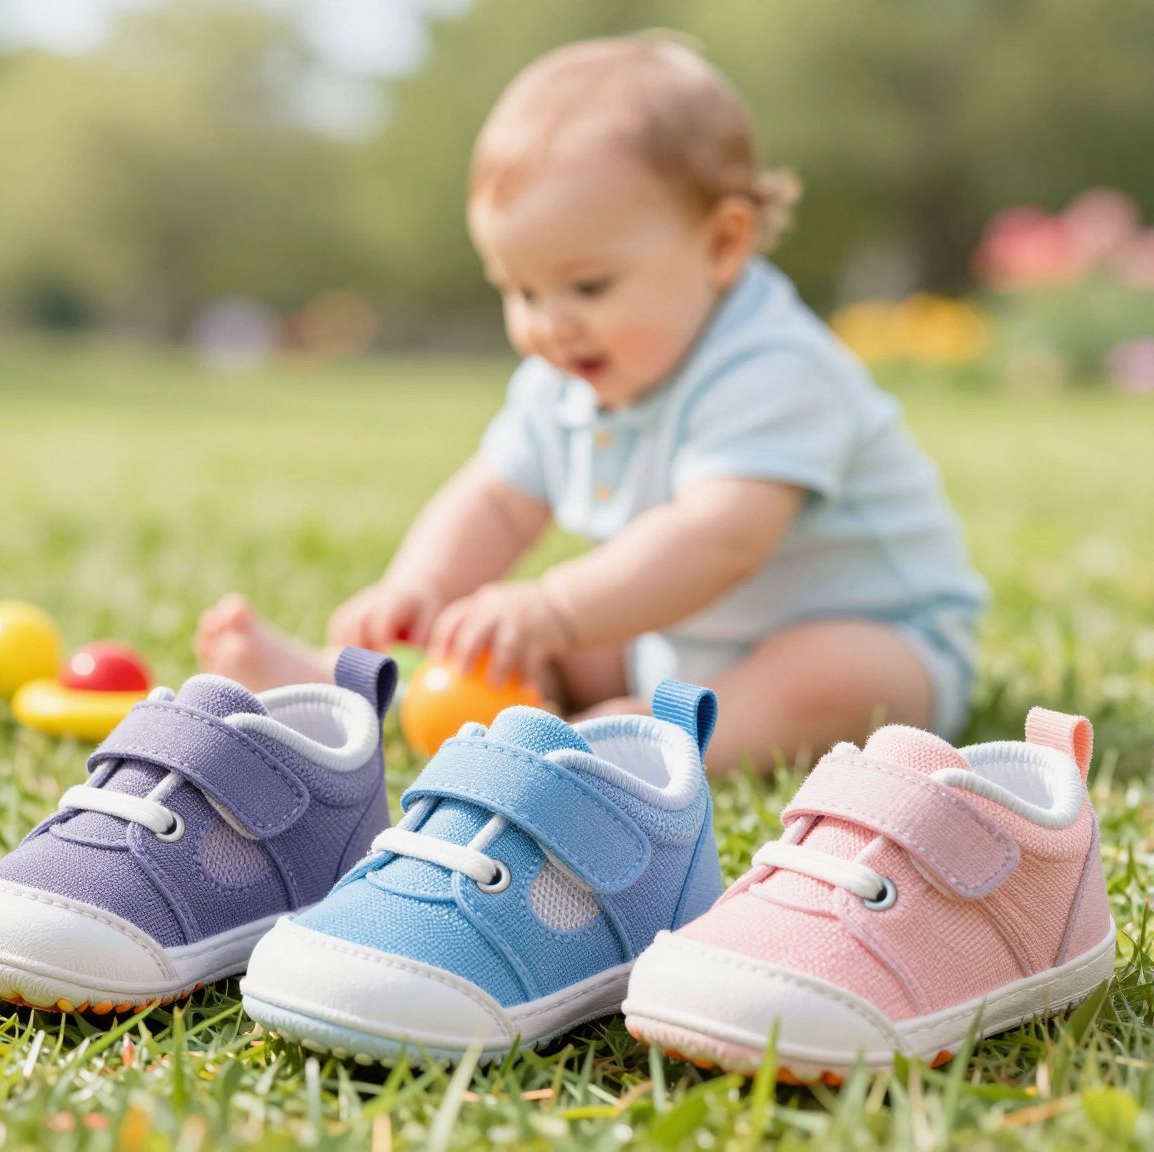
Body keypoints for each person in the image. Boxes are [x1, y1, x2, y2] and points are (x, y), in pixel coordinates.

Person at [195, 34, 986, 770]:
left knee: (829, 678)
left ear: (721, 244)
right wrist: (422, 587)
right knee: (503, 639)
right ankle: (361, 692)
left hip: (873, 639)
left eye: (588, 286)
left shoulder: (775, 367)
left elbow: (721, 539)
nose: (547, 324)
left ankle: (643, 745)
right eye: (520, 290)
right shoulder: (567, 374)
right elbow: (498, 500)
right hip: (669, 636)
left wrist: (555, 607)